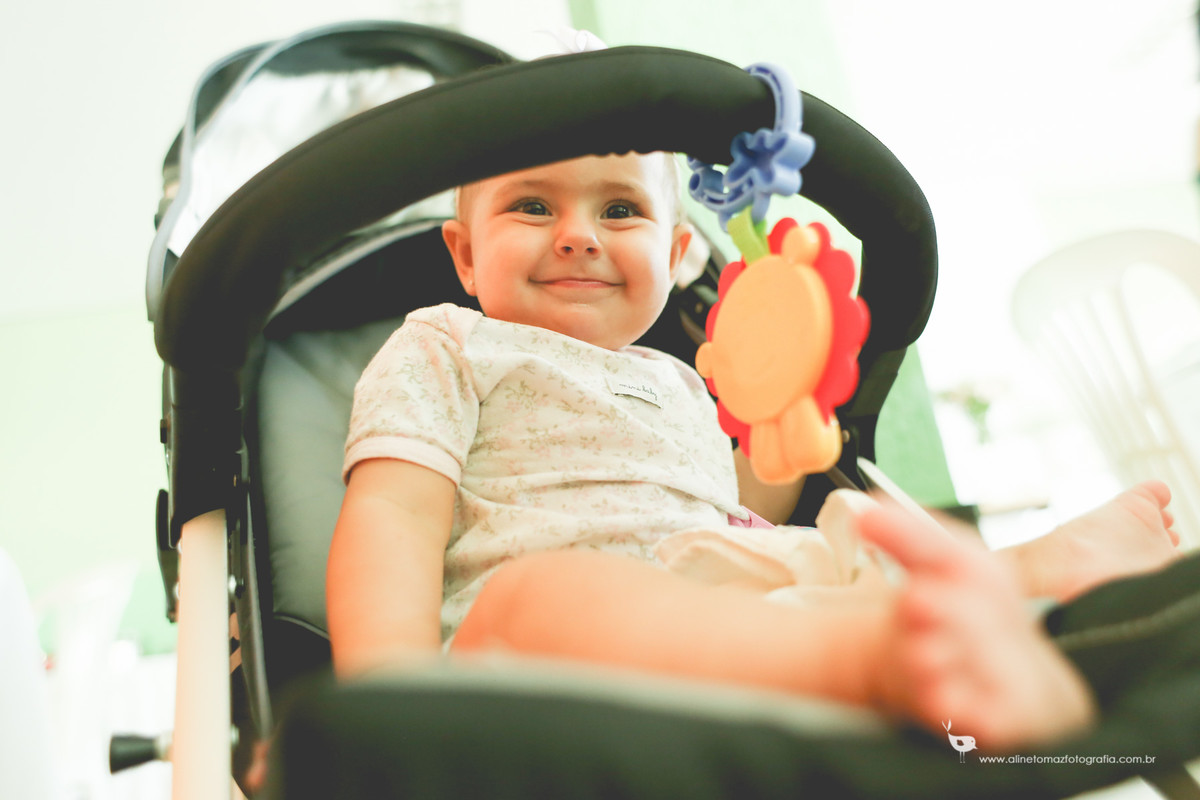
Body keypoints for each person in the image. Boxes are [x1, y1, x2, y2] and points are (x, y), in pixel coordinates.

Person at [326, 150, 1181, 753]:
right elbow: (394, 513)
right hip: (528, 664)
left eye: (619, 208)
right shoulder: (450, 343)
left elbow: (736, 507)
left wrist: (788, 420)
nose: (579, 234)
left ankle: (1025, 586)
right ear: (466, 253)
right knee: (535, 595)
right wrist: (384, 706)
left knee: (845, 533)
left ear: (675, 252)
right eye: (533, 206)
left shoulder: (683, 379)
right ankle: (893, 656)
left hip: (727, 621)